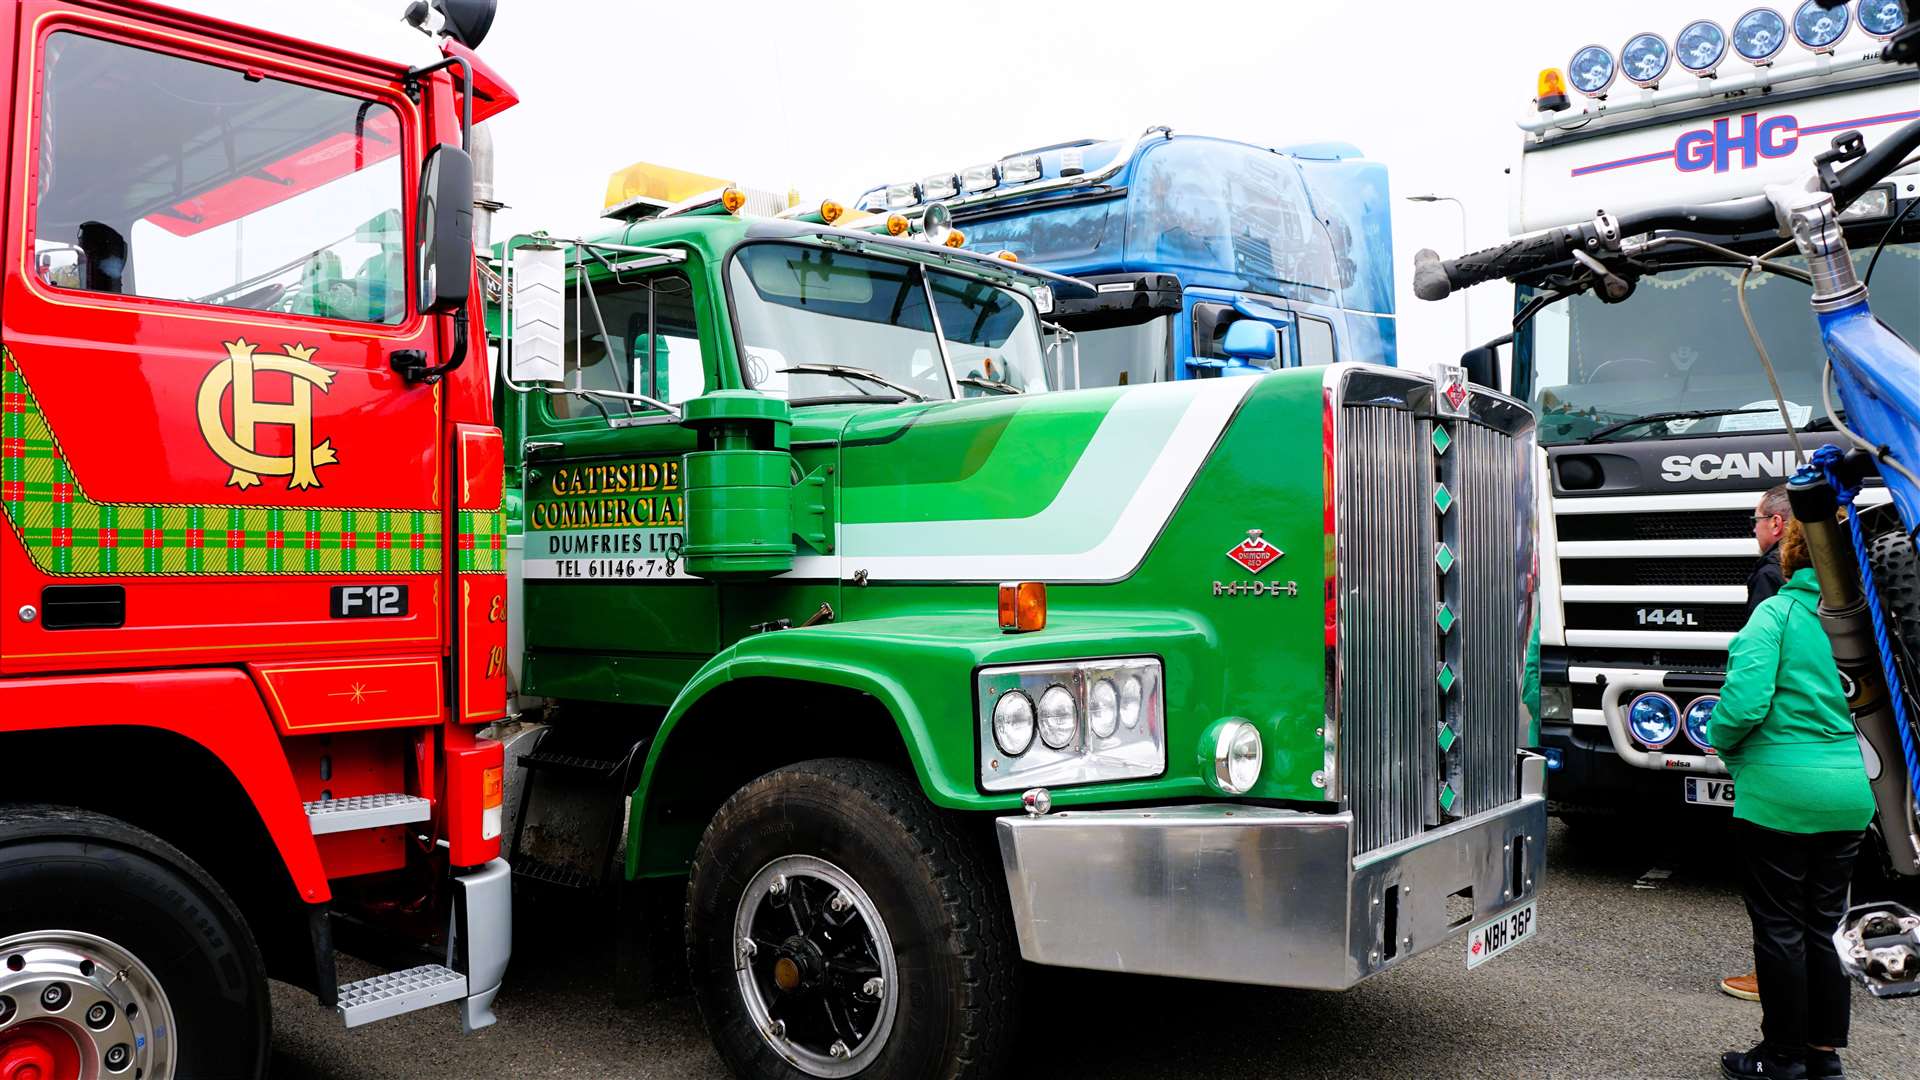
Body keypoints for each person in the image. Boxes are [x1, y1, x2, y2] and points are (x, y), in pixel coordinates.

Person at [1709, 518, 1876, 1080]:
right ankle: (1824, 1058)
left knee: (1781, 927)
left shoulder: (1776, 614)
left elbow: (1743, 705)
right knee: (1827, 923)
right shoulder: (1870, 624)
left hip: (1779, 795)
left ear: (1791, 553)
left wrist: (1721, 743)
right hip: (1854, 791)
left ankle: (1781, 1058)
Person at [1722, 482, 1794, 1003]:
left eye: (1756, 521)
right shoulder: (1840, 594)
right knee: (1820, 900)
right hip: (1844, 768)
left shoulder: (1772, 586)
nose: (1754, 530)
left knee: (1776, 896)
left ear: (1778, 525)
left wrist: (1723, 741)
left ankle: (1772, 983)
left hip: (1780, 761)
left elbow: (1751, 692)